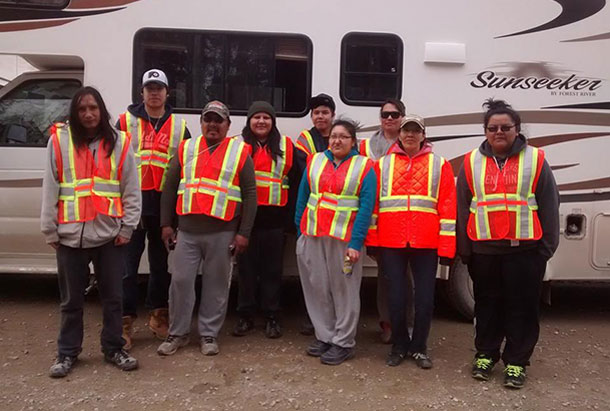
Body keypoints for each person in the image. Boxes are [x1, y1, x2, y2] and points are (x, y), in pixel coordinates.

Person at [457, 99, 559, 389]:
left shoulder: (536, 159)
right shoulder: (470, 161)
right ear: (485, 131)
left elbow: (550, 204)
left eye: (505, 127)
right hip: (483, 251)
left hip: (525, 251)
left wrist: (546, 248)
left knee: (523, 308)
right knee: (487, 305)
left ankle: (516, 362)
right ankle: (486, 354)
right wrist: (465, 249)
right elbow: (463, 207)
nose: (498, 132)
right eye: (492, 128)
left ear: (517, 129)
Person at [41, 86, 141, 378]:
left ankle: (113, 348)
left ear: (102, 110)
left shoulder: (120, 141)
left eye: (93, 108)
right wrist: (50, 230)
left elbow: (130, 189)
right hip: (70, 236)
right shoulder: (59, 141)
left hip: (110, 236)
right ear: (75, 111)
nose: (88, 114)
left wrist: (128, 227)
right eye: (82, 108)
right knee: (71, 301)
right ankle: (67, 353)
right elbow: (51, 187)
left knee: (113, 298)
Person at [157, 100, 257, 357]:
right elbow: (169, 187)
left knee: (216, 285)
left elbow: (250, 193)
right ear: (201, 122)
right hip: (187, 232)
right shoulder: (186, 148)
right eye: (208, 119)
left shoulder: (239, 152)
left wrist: (243, 233)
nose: (213, 124)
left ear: (228, 125)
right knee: (180, 282)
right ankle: (177, 333)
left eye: (218, 120)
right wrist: (166, 224)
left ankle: (209, 334)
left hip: (222, 232)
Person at [117, 68, 191, 350]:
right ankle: (124, 323)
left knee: (161, 267)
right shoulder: (124, 121)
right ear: (142, 92)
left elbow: (186, 169)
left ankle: (159, 316)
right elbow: (112, 164)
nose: (155, 92)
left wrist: (174, 217)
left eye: (159, 88)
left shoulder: (179, 126)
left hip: (163, 210)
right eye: (150, 88)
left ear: (167, 93)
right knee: (127, 269)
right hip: (131, 207)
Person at [375, 115, 456, 369]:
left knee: (424, 299)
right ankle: (400, 345)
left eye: (415, 131)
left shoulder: (440, 164)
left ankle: (420, 347)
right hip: (391, 242)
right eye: (405, 130)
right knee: (396, 298)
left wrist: (446, 247)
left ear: (424, 135)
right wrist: (372, 241)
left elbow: (448, 208)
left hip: (426, 243)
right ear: (399, 134)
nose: (410, 135)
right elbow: (374, 208)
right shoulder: (382, 165)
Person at [295, 119, 376, 365]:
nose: (336, 140)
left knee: (344, 292)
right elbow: (303, 196)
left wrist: (356, 243)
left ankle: (344, 342)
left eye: (342, 136)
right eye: (333, 136)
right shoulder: (316, 160)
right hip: (313, 235)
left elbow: (365, 208)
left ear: (353, 141)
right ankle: (325, 336)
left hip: (345, 241)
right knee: (317, 287)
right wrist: (300, 230)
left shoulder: (364, 166)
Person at [232, 101, 298, 339]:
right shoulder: (236, 145)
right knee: (246, 271)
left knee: (273, 271)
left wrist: (292, 220)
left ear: (273, 122)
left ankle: (272, 316)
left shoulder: (287, 146)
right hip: (245, 221)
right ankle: (245, 315)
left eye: (266, 118)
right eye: (256, 117)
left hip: (275, 221)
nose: (261, 121)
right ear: (249, 121)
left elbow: (299, 181)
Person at [359, 98, 414, 344]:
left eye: (394, 114)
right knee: (385, 277)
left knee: (407, 278)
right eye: (385, 114)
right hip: (378, 221)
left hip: (408, 222)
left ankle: (408, 325)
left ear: (403, 117)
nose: (389, 119)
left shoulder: (414, 144)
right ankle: (388, 324)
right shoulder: (365, 147)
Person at [294, 93, 336, 335]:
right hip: (313, 215)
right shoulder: (304, 141)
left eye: (325, 112)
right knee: (313, 273)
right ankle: (312, 319)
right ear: (312, 116)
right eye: (316, 112)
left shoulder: (342, 136)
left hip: (337, 219)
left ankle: (330, 320)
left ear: (332, 115)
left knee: (334, 275)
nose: (321, 116)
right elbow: (305, 178)